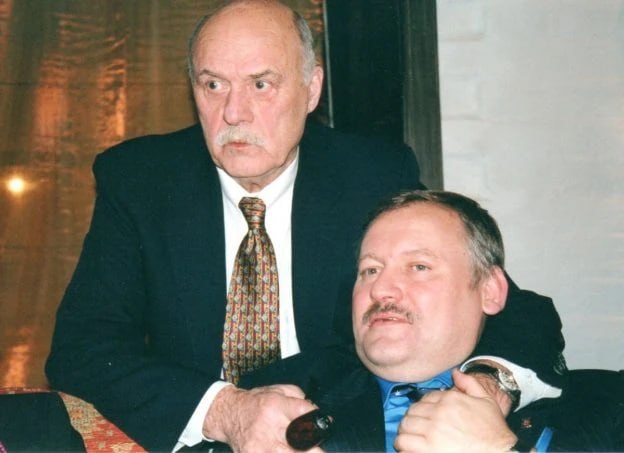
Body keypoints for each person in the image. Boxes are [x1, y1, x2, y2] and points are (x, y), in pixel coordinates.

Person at [46, 1, 564, 451]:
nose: (234, 112)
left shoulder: (370, 175)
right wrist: (227, 411)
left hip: (337, 433)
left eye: (261, 84)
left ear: (311, 88)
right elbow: (82, 349)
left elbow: (507, 305)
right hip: (199, 434)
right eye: (213, 84)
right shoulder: (142, 179)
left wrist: (489, 385)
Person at [241, 190, 624, 453]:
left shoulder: (608, 407)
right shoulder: (268, 412)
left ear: (490, 291)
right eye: (370, 270)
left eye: (419, 267)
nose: (381, 289)